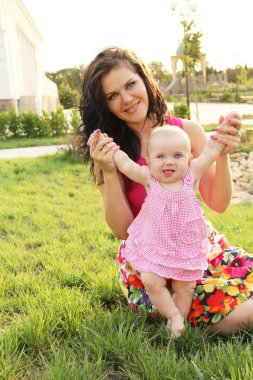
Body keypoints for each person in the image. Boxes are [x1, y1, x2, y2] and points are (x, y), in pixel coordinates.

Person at [76, 46, 253, 335]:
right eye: (113, 95)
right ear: (104, 105)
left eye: (131, 85)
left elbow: (219, 204)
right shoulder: (111, 151)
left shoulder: (187, 133)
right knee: (230, 310)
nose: (127, 99)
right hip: (150, 259)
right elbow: (122, 230)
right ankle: (185, 316)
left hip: (195, 246)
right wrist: (109, 170)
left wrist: (222, 154)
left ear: (145, 80)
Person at [90, 124, 228, 338]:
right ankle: (172, 314)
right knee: (151, 280)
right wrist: (109, 148)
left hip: (185, 247)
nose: (169, 161)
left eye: (177, 155)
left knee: (186, 288)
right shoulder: (149, 178)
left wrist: (223, 133)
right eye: (160, 156)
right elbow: (125, 164)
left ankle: (177, 322)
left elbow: (210, 152)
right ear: (148, 159)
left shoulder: (191, 175)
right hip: (156, 244)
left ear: (189, 157)